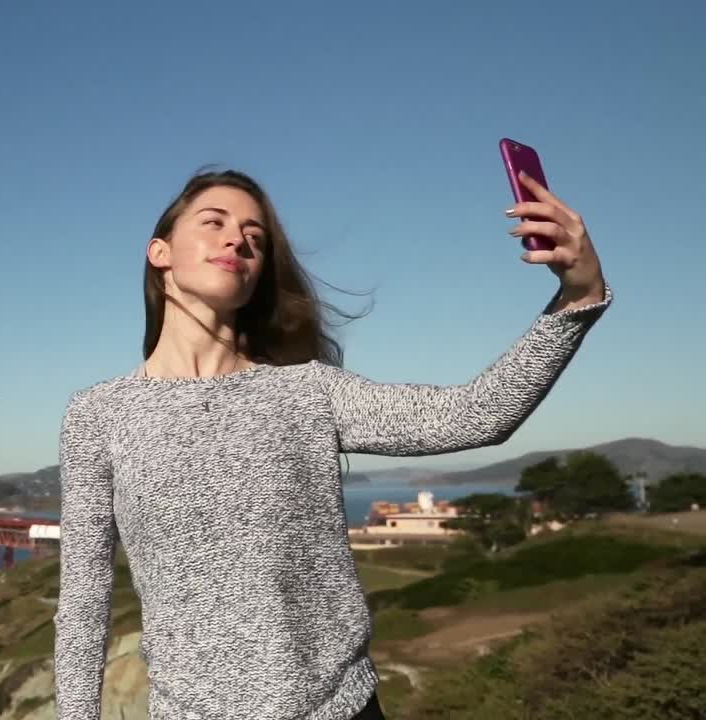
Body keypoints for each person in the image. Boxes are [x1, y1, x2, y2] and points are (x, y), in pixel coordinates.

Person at [52, 167, 611, 720]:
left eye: (255, 237)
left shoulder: (309, 390)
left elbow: (476, 415)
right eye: (214, 222)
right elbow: (83, 600)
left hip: (340, 708)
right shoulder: (99, 414)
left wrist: (578, 296)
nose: (237, 240)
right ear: (160, 253)